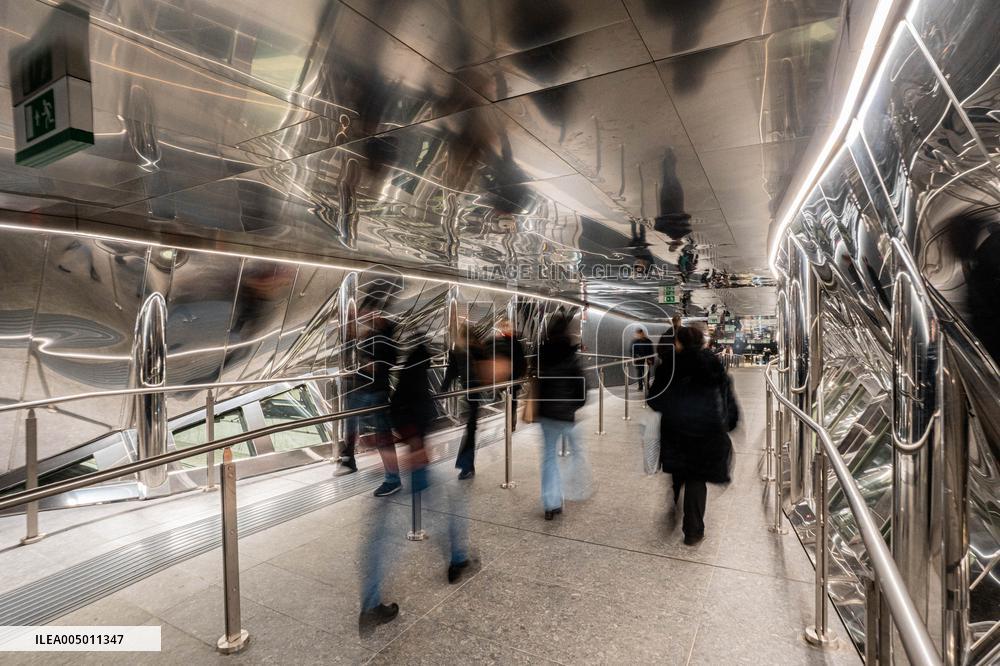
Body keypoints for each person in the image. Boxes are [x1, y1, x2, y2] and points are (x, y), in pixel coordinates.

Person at [647, 326, 739, 545]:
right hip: (706, 433)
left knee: (679, 472)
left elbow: (654, 399)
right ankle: (693, 530)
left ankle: (675, 502)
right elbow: (727, 396)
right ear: (701, 343)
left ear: (678, 343)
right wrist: (730, 422)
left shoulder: (668, 366)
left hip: (676, 431)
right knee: (697, 479)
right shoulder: (713, 364)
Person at [340, 309, 401, 497]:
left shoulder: (387, 339)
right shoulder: (371, 335)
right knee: (351, 422)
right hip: (362, 388)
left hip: (376, 391)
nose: (371, 316)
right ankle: (348, 458)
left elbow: (390, 361)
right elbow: (355, 347)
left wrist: (374, 365)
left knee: (383, 435)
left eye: (376, 314)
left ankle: (393, 479)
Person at [536, 315, 589, 520]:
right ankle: (575, 488)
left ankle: (551, 503)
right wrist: (575, 406)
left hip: (546, 413)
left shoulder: (541, 352)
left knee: (549, 457)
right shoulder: (570, 354)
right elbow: (582, 387)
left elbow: (538, 382)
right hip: (566, 414)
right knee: (578, 451)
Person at [442, 323, 485, 479]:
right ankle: (467, 465)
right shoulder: (479, 348)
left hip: (468, 390)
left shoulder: (457, 351)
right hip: (478, 390)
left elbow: (451, 373)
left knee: (471, 427)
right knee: (471, 427)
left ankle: (467, 465)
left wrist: (442, 391)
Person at [494, 318, 527, 429]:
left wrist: (520, 374)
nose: (505, 328)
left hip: (512, 378)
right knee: (510, 401)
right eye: (503, 326)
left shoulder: (514, 342)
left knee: (511, 401)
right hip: (505, 378)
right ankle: (510, 423)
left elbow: (521, 360)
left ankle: (511, 424)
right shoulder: (501, 341)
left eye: (507, 326)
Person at [630, 328, 655, 394]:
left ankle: (647, 385)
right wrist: (634, 358)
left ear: (642, 333)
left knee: (647, 373)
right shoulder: (635, 342)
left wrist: (651, 359)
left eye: (640, 334)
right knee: (640, 373)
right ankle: (640, 386)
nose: (639, 335)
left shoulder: (648, 341)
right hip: (639, 360)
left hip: (647, 360)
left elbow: (651, 351)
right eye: (638, 334)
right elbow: (632, 351)